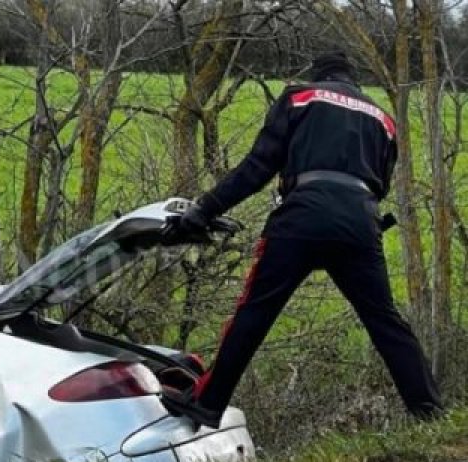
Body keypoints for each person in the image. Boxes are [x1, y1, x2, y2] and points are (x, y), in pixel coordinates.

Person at [162, 51, 445, 429]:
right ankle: (429, 413)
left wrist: (204, 210)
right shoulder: (384, 120)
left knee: (255, 310)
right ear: (354, 80)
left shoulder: (300, 97)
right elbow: (383, 183)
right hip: (359, 222)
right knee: (385, 322)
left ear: (319, 74)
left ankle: (208, 403)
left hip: (302, 216)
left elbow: (257, 167)